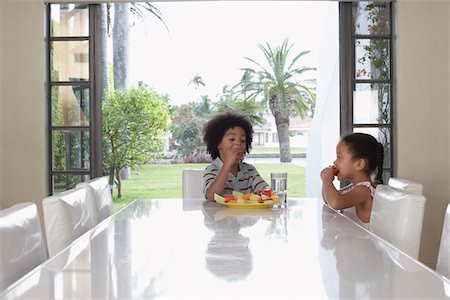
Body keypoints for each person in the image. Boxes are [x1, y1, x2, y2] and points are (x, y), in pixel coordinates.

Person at [321, 132, 384, 228]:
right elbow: (328, 200)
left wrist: (326, 180)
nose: (335, 162)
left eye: (339, 157)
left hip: (364, 242)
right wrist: (326, 181)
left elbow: (335, 203)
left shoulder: (364, 190)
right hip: (350, 239)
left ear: (359, 164)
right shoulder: (355, 187)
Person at [202, 111, 269, 201]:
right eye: (232, 139)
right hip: (220, 214)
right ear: (218, 143)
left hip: (246, 214)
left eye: (242, 140)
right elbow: (211, 196)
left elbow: (266, 189)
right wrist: (227, 164)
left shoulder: (250, 171)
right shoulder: (212, 169)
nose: (238, 144)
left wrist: (263, 193)